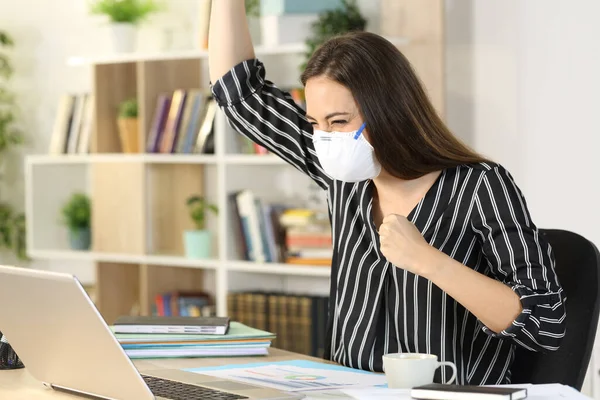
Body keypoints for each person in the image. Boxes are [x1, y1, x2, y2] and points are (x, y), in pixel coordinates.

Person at [208, 1, 566, 385]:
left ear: (388, 111)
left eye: (340, 121)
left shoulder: (480, 185)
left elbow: (544, 321)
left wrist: (430, 261)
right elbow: (239, 92)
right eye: (316, 123)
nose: (327, 138)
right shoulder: (345, 175)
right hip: (343, 391)